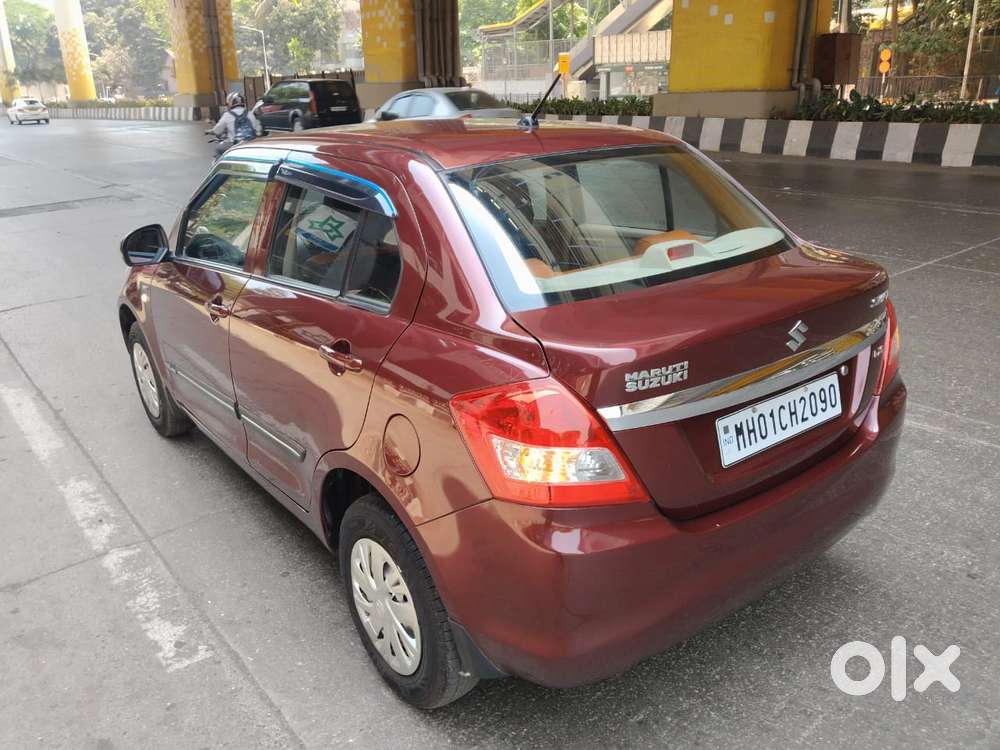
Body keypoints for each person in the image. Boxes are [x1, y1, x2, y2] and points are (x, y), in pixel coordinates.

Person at [209, 92, 261, 156]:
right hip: (249, 144)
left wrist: (211, 131)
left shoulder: (227, 115)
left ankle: (221, 165)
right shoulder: (250, 114)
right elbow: (258, 130)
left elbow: (217, 130)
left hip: (235, 145)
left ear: (231, 103)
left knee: (218, 149)